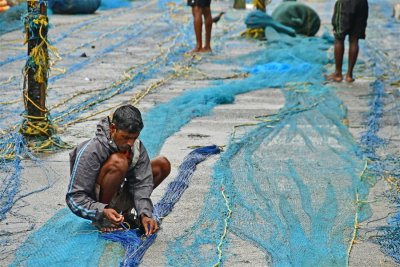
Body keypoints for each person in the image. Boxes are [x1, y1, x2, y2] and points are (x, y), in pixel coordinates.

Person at [66, 104, 171, 234]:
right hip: (96, 203)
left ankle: (124, 215)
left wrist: (145, 214)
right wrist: (102, 211)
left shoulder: (136, 147)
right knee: (119, 161)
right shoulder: (92, 150)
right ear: (113, 128)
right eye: (126, 137)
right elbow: (74, 197)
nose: (130, 143)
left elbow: (142, 183)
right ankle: (105, 219)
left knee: (162, 164)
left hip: (119, 196)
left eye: (134, 138)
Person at [325, 0, 368, 83]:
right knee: (354, 39)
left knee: (339, 37)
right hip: (362, 3)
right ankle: (349, 75)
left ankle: (338, 74)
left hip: (345, 3)